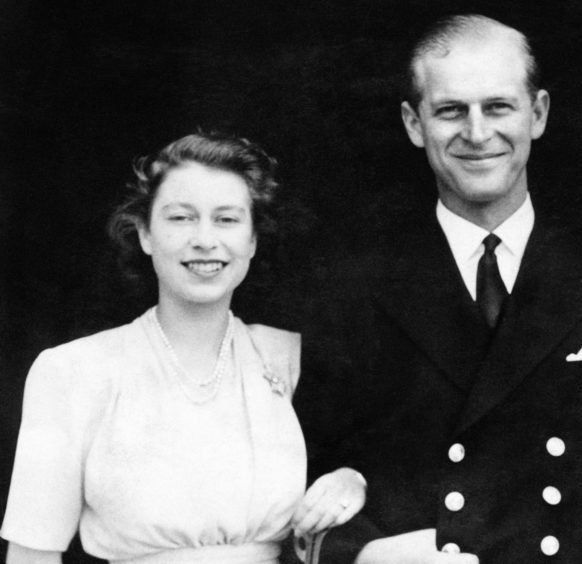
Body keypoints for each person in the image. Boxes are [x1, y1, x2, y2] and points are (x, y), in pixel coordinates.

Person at [293, 14, 582, 564]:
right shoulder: (352, 290)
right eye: (451, 110)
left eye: (498, 107)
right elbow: (301, 491)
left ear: (538, 114)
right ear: (414, 123)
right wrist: (362, 554)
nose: (477, 134)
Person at [1, 132, 366, 564]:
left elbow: (375, 466)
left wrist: (352, 481)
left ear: (251, 240)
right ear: (145, 234)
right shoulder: (72, 372)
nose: (205, 239)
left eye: (227, 220)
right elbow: (31, 558)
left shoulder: (288, 358)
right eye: (181, 218)